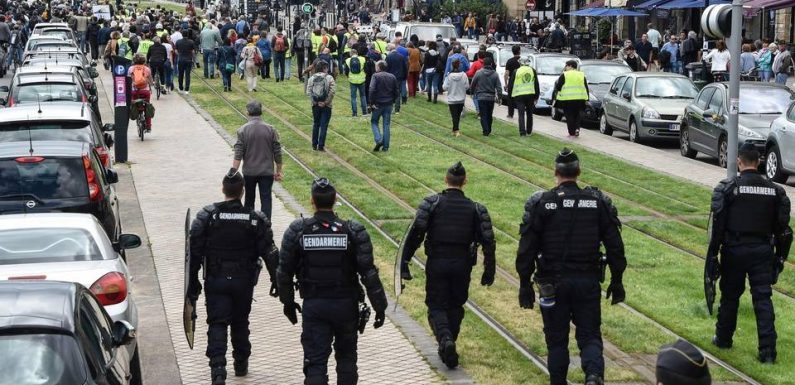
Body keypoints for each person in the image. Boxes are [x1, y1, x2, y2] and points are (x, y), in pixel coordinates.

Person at [516, 148, 626, 385]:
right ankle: (594, 376)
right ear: (579, 172)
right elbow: (615, 247)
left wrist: (524, 282)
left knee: (556, 339)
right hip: (587, 280)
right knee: (589, 335)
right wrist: (617, 280)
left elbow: (527, 248)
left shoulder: (543, 203)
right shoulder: (597, 203)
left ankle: (558, 381)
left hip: (552, 284)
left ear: (555, 172)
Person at [277, 178, 388, 385]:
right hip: (346, 305)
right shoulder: (353, 231)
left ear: (312, 201)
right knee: (347, 359)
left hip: (315, 305)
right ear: (335, 200)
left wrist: (288, 302)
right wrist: (380, 306)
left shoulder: (298, 231)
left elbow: (284, 271)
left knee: (315, 362)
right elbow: (368, 273)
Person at [187, 170, 279, 385]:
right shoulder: (255, 219)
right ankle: (241, 363)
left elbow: (194, 253)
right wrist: (278, 281)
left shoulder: (208, 217)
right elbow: (270, 253)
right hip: (243, 281)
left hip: (216, 280)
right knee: (240, 321)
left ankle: (218, 370)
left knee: (217, 323)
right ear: (243, 191)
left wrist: (193, 283)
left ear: (223, 189)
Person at [401, 161, 496, 369]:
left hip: (437, 261)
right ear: (465, 182)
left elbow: (416, 233)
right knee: (455, 304)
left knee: (436, 304)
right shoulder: (475, 209)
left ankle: (445, 339)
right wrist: (490, 269)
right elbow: (488, 240)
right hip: (462, 264)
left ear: (446, 179)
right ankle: (449, 340)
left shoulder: (432, 203)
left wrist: (404, 261)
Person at [708, 143, 791, 364]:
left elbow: (717, 227)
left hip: (734, 250)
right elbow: (783, 230)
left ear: (739, 162)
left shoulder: (728, 188)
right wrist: (780, 258)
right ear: (759, 162)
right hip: (762, 251)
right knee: (763, 299)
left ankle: (723, 338)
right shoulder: (775, 191)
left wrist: (713, 256)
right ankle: (768, 352)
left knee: (730, 297)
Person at [232, 101, 284, 219]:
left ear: (247, 113)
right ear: (261, 112)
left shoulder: (242, 130)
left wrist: (233, 171)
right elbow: (277, 152)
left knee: (249, 199)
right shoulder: (271, 129)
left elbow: (238, 153)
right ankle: (266, 225)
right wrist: (279, 170)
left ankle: (248, 224)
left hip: (249, 172)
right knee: (266, 199)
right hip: (266, 171)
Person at [551, 60, 589, 137]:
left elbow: (558, 87)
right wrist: (587, 99)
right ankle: (577, 129)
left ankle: (571, 132)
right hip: (580, 98)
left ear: (570, 66)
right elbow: (586, 87)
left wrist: (556, 96)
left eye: (566, 66)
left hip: (567, 99)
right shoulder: (581, 75)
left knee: (569, 115)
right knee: (577, 114)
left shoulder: (565, 75)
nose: (565, 67)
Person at [368, 61, 399, 152]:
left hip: (378, 103)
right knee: (386, 125)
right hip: (388, 104)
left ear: (379, 67)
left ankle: (379, 140)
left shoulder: (375, 76)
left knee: (374, 121)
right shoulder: (392, 76)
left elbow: (371, 89)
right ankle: (386, 147)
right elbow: (396, 91)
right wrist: (393, 100)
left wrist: (371, 102)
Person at [306, 61, 335, 151]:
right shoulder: (329, 78)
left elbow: (308, 91)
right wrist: (326, 102)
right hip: (327, 105)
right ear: (325, 68)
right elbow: (332, 91)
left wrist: (314, 102)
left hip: (315, 105)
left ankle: (314, 144)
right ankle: (321, 146)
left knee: (316, 124)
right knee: (324, 125)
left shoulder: (311, 78)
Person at [470, 57, 501, 136]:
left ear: (483, 64)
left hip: (481, 96)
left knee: (483, 114)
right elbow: (499, 87)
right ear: (491, 64)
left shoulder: (478, 73)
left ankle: (485, 130)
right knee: (489, 114)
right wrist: (499, 97)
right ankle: (489, 129)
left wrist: (472, 92)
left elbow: (473, 83)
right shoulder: (495, 74)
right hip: (491, 97)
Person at [509, 62, 540, 136]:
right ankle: (529, 131)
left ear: (520, 63)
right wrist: (536, 96)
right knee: (529, 114)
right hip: (530, 94)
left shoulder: (516, 71)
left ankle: (522, 132)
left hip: (519, 95)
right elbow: (536, 84)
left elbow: (511, 84)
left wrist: (510, 96)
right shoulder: (532, 70)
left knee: (521, 114)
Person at [444, 59, 469, 136]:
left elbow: (445, 87)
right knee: (457, 115)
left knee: (454, 116)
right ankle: (455, 130)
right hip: (461, 99)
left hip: (452, 99)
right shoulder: (464, 75)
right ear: (460, 65)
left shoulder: (449, 76)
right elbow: (467, 86)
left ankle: (456, 130)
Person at [128, 53, 153, 131]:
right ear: (144, 60)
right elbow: (150, 81)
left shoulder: (131, 69)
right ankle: (148, 126)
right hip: (145, 92)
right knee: (147, 107)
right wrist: (151, 85)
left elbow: (128, 80)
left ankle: (136, 115)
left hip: (134, 91)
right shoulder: (147, 69)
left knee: (133, 104)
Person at [385, 44, 408, 114]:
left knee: (390, 93)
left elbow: (386, 67)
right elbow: (405, 67)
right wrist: (404, 76)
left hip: (390, 77)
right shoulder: (401, 57)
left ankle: (391, 108)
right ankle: (397, 109)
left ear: (390, 49)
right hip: (399, 77)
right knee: (398, 93)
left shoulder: (388, 57)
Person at [504, 45, 523, 119]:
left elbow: (506, 74)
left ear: (512, 52)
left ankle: (510, 114)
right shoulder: (522, 61)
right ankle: (521, 113)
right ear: (519, 51)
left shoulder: (509, 61)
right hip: (521, 81)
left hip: (512, 81)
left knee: (510, 99)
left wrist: (506, 84)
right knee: (520, 98)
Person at [346, 50, 367, 117]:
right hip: (362, 79)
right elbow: (366, 68)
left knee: (353, 97)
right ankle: (364, 112)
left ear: (350, 54)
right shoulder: (362, 59)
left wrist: (348, 76)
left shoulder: (348, 60)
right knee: (363, 96)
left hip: (352, 80)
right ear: (357, 53)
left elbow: (346, 71)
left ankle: (354, 113)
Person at [176, 29, 196, 94]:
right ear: (187, 35)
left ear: (182, 34)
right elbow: (193, 52)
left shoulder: (178, 42)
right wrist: (193, 59)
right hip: (188, 59)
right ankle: (187, 89)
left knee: (180, 74)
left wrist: (179, 54)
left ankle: (180, 87)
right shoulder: (191, 42)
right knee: (187, 75)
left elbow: (176, 51)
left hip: (181, 59)